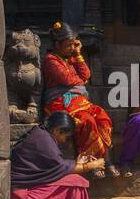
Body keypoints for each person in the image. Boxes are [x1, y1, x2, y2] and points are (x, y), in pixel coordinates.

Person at [9, 111, 104, 199]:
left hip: (21, 191)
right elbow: (59, 168)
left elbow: (53, 170)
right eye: (66, 136)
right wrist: (90, 166)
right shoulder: (43, 139)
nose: (65, 140)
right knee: (76, 184)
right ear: (57, 130)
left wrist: (79, 163)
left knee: (63, 180)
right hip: (21, 195)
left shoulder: (40, 134)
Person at [42, 21, 119, 179]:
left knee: (102, 117)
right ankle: (92, 163)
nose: (72, 48)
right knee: (87, 120)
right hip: (59, 103)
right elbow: (69, 79)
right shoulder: (51, 60)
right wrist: (80, 80)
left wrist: (78, 54)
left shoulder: (70, 59)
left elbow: (86, 75)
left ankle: (106, 159)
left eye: (74, 44)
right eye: (69, 45)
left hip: (78, 102)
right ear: (57, 44)